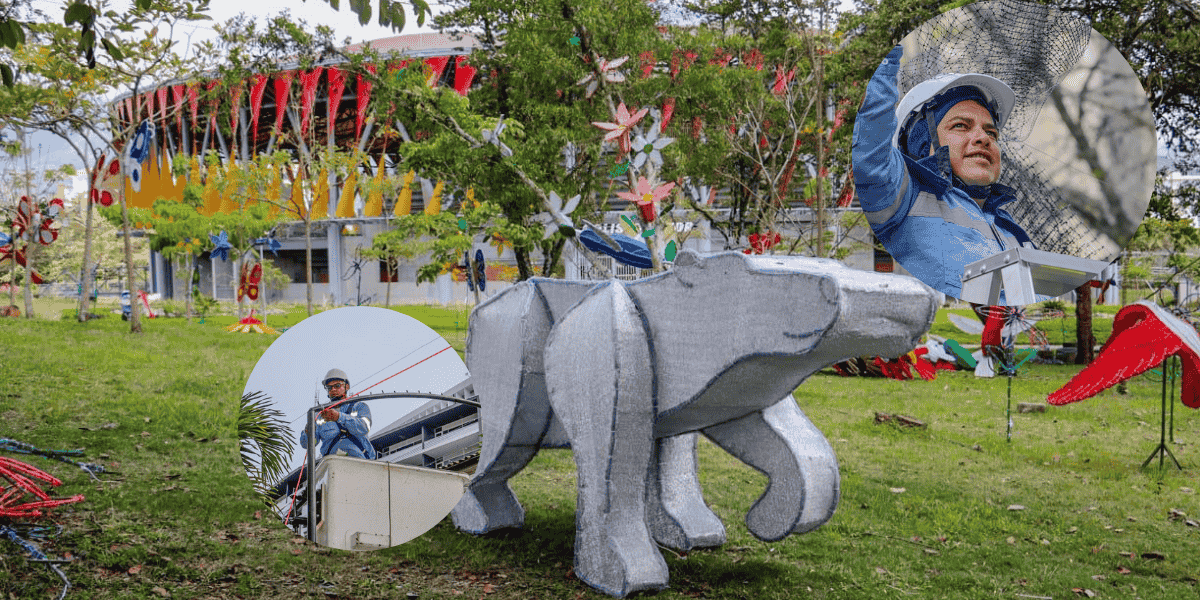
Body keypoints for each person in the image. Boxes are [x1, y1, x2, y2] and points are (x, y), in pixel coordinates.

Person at [853, 44, 1035, 303]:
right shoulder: (905, 195)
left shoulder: (1011, 230)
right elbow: (872, 156)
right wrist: (883, 57)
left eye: (991, 132)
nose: (983, 138)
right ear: (921, 144)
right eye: (961, 126)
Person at [299, 368, 378, 460]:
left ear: (346, 386)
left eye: (337, 386)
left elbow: (364, 428)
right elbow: (307, 444)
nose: (333, 389)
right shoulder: (320, 415)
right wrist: (307, 431)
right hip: (333, 463)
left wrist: (339, 417)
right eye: (329, 387)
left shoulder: (359, 406)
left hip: (360, 461)